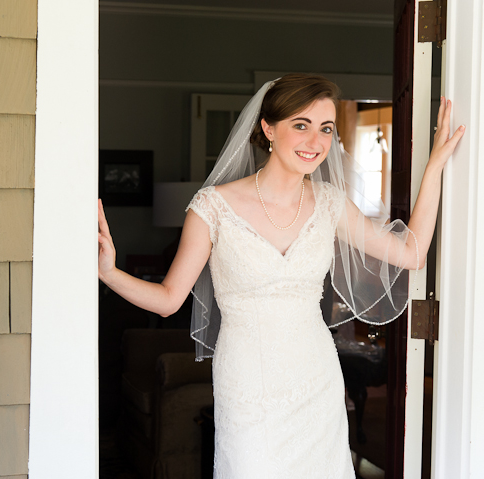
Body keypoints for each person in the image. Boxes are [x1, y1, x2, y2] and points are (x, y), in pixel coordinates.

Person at [98, 74, 464, 478]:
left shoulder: (330, 204)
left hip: (317, 378)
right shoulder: (212, 208)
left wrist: (436, 165)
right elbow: (168, 300)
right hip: (247, 385)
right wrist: (110, 273)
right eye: (300, 125)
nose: (315, 141)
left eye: (326, 128)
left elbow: (411, 253)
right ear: (268, 128)